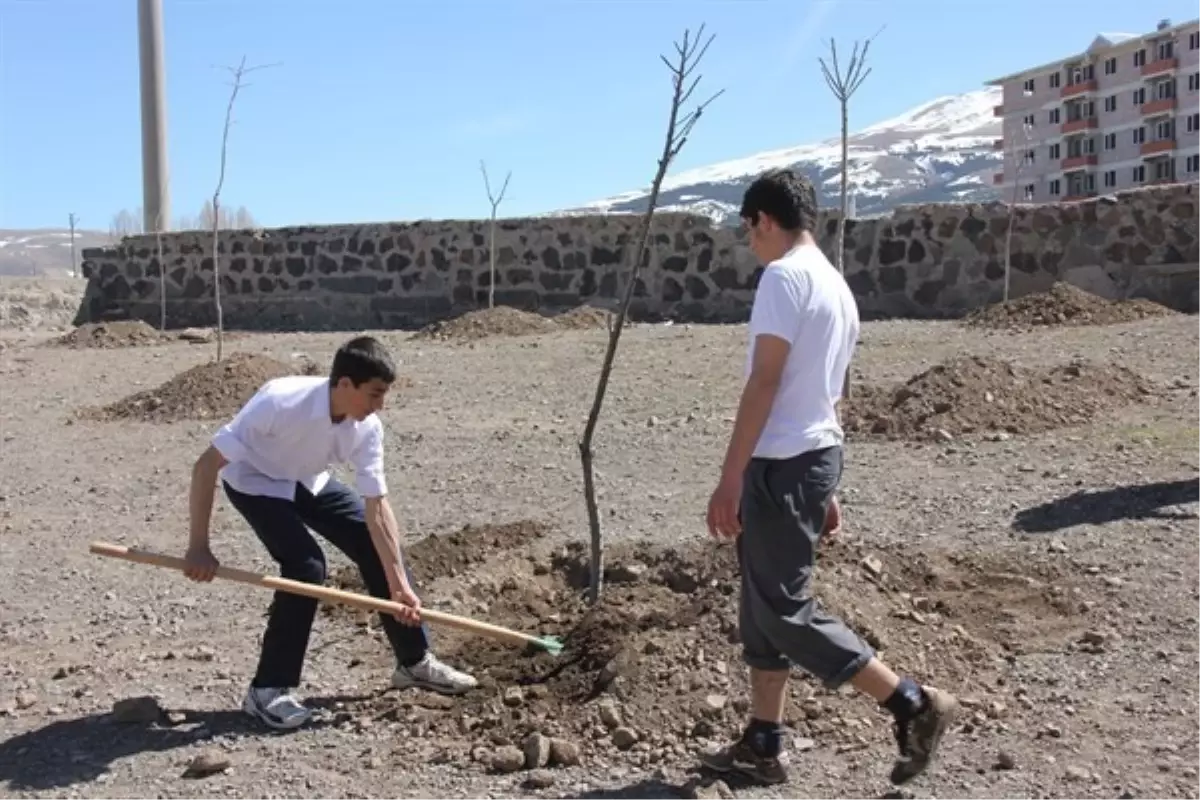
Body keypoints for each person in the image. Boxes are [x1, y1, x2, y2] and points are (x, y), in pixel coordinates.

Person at [701, 169, 959, 787]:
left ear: (763, 220)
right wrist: (829, 481)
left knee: (785, 611)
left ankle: (911, 702)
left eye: (749, 229)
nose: (750, 242)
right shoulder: (836, 285)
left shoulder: (784, 278)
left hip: (782, 464)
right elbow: (830, 391)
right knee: (761, 609)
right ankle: (764, 743)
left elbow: (766, 381)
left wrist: (729, 477)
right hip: (811, 456)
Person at [183, 335, 477, 730]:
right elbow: (205, 467)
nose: (380, 406)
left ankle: (414, 662)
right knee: (306, 566)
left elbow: (377, 508)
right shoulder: (279, 401)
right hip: (256, 480)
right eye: (374, 394)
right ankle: (267, 691)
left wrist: (399, 584)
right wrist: (199, 547)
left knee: (372, 542)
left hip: (308, 478)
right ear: (343, 384)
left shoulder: (367, 427)